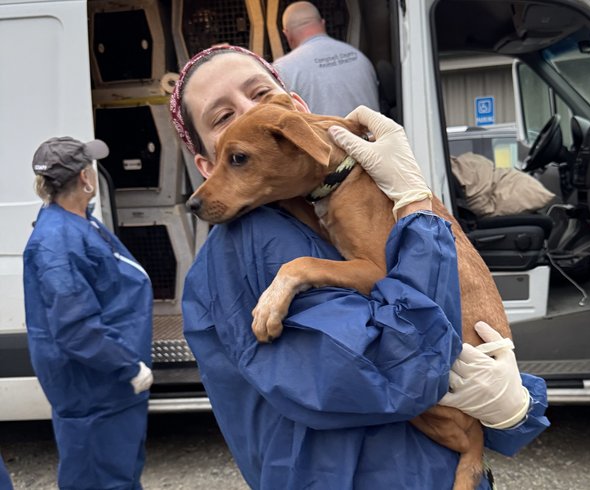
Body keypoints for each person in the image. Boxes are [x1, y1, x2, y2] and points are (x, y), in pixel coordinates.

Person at [170, 44, 549, 489]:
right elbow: (396, 369)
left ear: (298, 110)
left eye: (261, 94)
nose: (254, 116)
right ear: (205, 165)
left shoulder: (330, 203)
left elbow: (447, 318)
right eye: (223, 117)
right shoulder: (250, 245)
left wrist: (519, 405)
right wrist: (415, 209)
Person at [23, 137, 154, 490]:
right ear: (84, 179)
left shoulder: (77, 222)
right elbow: (74, 328)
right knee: (102, 477)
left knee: (120, 472)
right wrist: (128, 366)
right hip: (96, 386)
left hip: (106, 383)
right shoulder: (58, 242)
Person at [272, 1, 380, 117]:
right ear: (323, 23)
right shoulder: (359, 57)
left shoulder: (282, 68)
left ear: (286, 34)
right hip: (374, 134)